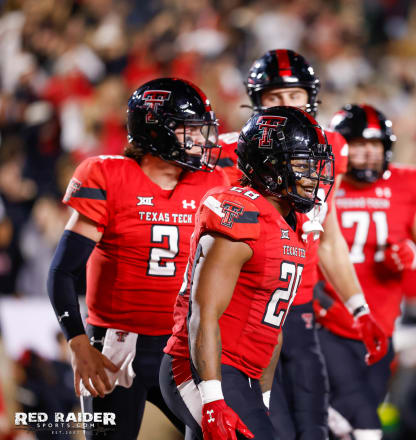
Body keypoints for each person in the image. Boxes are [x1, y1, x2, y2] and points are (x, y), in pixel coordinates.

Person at [212, 49, 389, 440]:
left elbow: (327, 235)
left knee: (313, 428)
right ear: (256, 100)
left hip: (300, 308)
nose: (285, 105)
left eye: (293, 96)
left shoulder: (330, 148)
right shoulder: (226, 152)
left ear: (310, 97)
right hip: (250, 307)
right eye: (274, 98)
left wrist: (359, 308)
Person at [47, 77, 228, 439]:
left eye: (200, 130)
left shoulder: (214, 182)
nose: (199, 140)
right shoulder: (107, 175)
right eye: (186, 130)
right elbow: (63, 271)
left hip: (183, 345)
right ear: (154, 132)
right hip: (115, 345)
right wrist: (79, 342)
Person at [159, 106, 335, 440]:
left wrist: (264, 396)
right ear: (270, 167)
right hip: (200, 367)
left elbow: (273, 326)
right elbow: (203, 312)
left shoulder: (293, 224)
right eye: (302, 164)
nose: (313, 176)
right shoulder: (241, 211)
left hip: (244, 373)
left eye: (314, 164)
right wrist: (211, 398)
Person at [315, 103, 416, 439]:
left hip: (379, 330)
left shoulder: (407, 186)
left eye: (374, 145)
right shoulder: (321, 183)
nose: (366, 154)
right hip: (327, 322)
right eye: (358, 144)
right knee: (361, 423)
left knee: (357, 417)